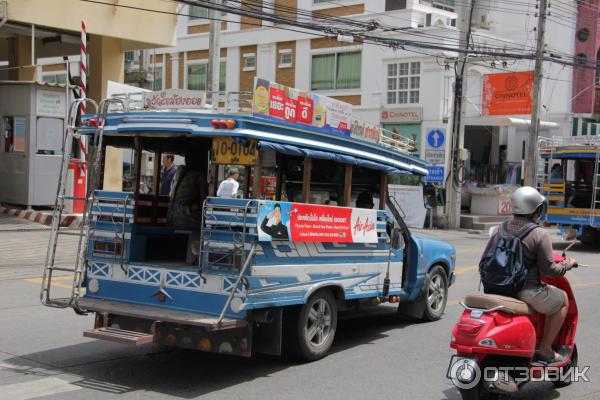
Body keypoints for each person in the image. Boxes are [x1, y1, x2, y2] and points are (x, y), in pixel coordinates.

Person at [483, 186, 576, 363]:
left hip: (495, 287)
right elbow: (550, 270)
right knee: (562, 299)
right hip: (525, 291)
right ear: (536, 209)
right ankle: (546, 350)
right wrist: (567, 265)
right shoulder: (539, 234)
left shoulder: (498, 229)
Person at [167, 152, 206, 229]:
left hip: (170, 216)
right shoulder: (198, 176)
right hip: (185, 219)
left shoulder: (178, 172)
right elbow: (205, 201)